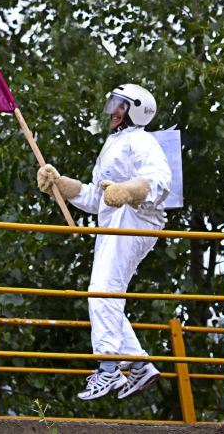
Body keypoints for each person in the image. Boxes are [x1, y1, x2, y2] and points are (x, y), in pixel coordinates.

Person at [37, 83, 172, 401]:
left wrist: (128, 190)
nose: (112, 110)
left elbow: (160, 180)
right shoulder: (113, 144)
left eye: (119, 105)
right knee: (103, 295)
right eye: (112, 104)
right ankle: (138, 366)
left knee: (103, 292)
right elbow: (96, 198)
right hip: (111, 224)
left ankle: (110, 370)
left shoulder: (140, 139)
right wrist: (61, 186)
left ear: (135, 110)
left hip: (134, 220)